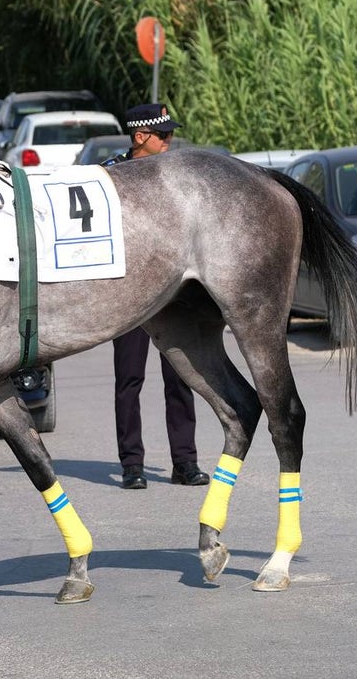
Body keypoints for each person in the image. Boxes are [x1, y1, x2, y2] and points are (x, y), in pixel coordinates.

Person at [103, 103, 210, 490]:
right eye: (162, 135)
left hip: (170, 291)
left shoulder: (173, 175)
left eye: (170, 134)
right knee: (129, 379)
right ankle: (132, 464)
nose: (169, 141)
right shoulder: (110, 176)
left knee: (181, 376)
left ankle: (185, 462)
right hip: (130, 293)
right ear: (139, 137)